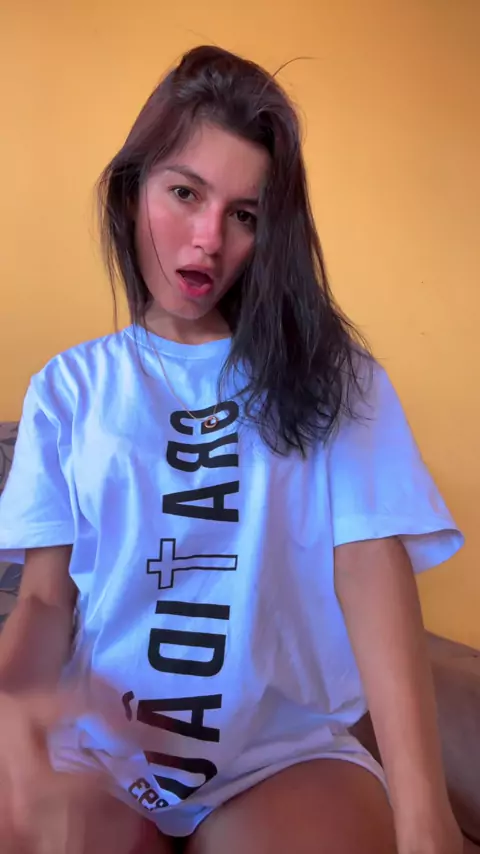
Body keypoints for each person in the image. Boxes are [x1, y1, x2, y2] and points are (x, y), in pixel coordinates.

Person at [0, 45, 465, 854]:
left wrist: (427, 818)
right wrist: (14, 729)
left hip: (278, 756)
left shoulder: (333, 375)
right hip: (103, 754)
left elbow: (370, 569)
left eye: (245, 214)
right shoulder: (69, 389)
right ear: (132, 190)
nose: (209, 239)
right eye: (185, 193)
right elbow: (44, 599)